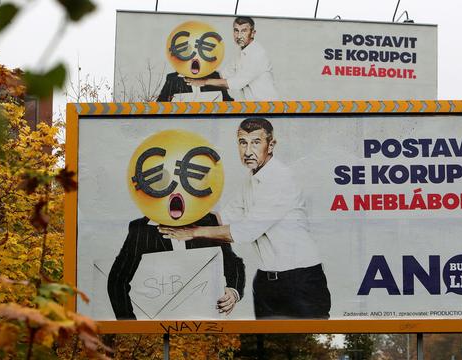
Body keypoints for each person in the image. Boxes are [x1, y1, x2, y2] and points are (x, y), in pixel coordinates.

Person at [159, 118, 331, 319]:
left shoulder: (280, 179)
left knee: (305, 345)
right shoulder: (251, 180)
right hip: (266, 282)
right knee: (266, 347)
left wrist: (192, 232)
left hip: (301, 280)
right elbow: (222, 218)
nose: (248, 151)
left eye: (256, 142)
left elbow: (245, 231)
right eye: (243, 142)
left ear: (271, 145)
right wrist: (178, 209)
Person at [107, 212, 245, 320]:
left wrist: (234, 292)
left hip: (204, 325)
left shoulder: (209, 221)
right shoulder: (140, 229)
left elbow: (234, 263)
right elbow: (117, 281)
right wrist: (130, 327)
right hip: (156, 328)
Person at [185, 17, 279, 101]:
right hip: (254, 107)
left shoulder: (257, 54)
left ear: (252, 33)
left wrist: (203, 82)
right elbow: (223, 75)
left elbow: (235, 83)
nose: (239, 36)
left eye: (244, 31)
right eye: (236, 30)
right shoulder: (240, 54)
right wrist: (198, 70)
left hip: (268, 107)